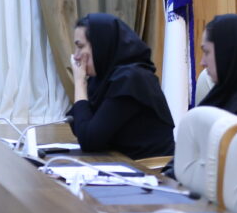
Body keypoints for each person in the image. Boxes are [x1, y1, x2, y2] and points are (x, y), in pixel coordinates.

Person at [69, 13, 174, 159]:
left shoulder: (131, 79)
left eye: (80, 47)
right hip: (118, 161)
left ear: (101, 45)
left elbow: (89, 140)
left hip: (148, 168)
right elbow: (78, 125)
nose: (76, 56)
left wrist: (80, 83)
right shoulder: (103, 77)